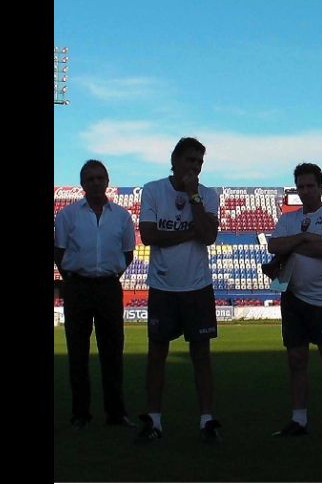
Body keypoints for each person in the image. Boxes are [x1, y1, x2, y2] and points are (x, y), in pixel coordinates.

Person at [136, 137, 222, 443]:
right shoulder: (153, 190)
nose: (194, 167)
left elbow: (209, 236)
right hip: (163, 285)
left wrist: (194, 196)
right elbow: (148, 235)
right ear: (174, 161)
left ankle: (207, 420)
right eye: (189, 160)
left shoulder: (208, 195)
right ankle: (154, 421)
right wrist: (190, 231)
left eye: (199, 162)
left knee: (201, 354)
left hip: (197, 286)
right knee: (157, 353)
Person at [268, 163, 322, 441]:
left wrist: (293, 243)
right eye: (300, 186)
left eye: (310, 186)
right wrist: (304, 237)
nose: (305, 191)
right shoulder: (289, 218)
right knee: (296, 360)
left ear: (321, 187)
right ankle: (299, 419)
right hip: (291, 298)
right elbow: (273, 246)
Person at [54, 160, 136, 430]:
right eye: (90, 179)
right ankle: (81, 414)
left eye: (100, 178)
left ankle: (116, 414)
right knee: (77, 353)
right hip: (77, 287)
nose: (96, 182)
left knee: (113, 353)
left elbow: (127, 254)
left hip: (109, 288)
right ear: (82, 184)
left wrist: (107, 274)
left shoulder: (122, 216)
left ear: (108, 181)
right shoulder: (66, 216)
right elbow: (59, 253)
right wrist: (74, 279)